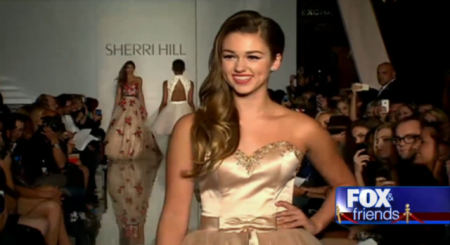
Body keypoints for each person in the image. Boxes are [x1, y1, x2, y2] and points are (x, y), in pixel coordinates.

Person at [156, 11, 356, 245]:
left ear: (276, 61)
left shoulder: (303, 128)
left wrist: (316, 223)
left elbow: (346, 184)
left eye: (253, 57)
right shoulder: (191, 127)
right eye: (230, 56)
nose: (240, 67)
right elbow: (174, 215)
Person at [104, 60, 162, 161]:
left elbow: (140, 93)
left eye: (131, 67)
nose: (129, 69)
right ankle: (122, 150)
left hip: (134, 104)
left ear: (134, 68)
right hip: (124, 104)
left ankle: (134, 151)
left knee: (135, 127)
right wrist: (115, 109)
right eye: (127, 67)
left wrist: (143, 107)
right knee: (122, 127)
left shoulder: (138, 80)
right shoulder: (122, 80)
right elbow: (118, 96)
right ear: (125, 68)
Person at [152, 59, 195, 135]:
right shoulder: (190, 83)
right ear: (184, 69)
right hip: (185, 110)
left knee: (172, 134)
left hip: (170, 110)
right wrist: (195, 115)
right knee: (185, 133)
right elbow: (190, 102)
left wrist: (158, 116)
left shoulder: (167, 83)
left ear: (172, 68)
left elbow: (164, 102)